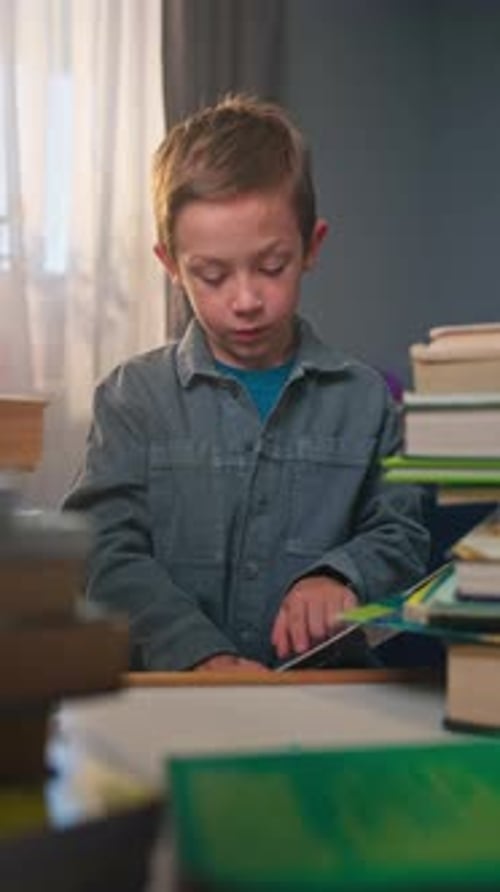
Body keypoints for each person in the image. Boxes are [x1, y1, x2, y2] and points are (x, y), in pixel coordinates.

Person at [63, 94, 430, 673]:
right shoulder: (131, 399)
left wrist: (342, 576)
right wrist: (196, 651)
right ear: (170, 265)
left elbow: (403, 534)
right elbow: (103, 552)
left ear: (312, 246)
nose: (246, 300)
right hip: (173, 701)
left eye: (270, 266)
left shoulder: (366, 402)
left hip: (325, 702)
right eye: (211, 275)